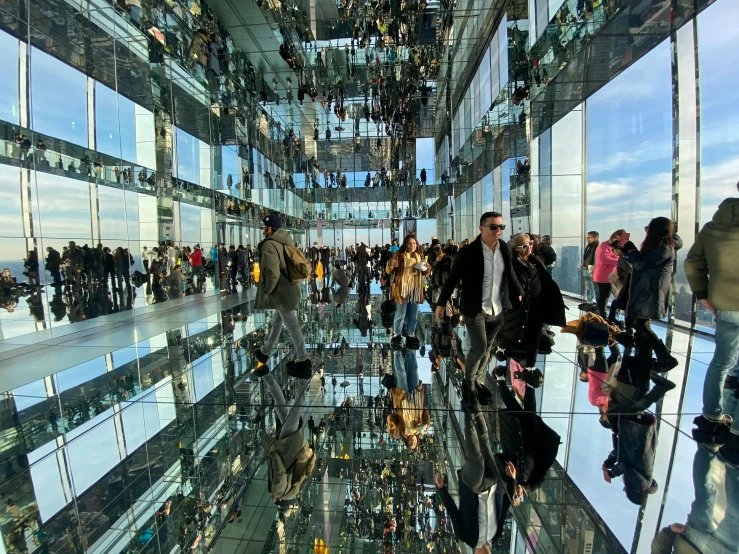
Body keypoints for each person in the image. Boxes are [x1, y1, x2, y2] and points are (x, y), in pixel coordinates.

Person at [435, 212, 523, 408]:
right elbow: (451, 279)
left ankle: (478, 382)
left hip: (496, 309)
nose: (498, 231)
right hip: (474, 309)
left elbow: (511, 274)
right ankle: (468, 384)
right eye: (494, 227)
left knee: (487, 350)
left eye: (501, 227)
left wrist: (518, 292)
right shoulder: (467, 252)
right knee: (480, 348)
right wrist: (441, 303)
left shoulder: (505, 250)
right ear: (481, 228)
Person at [684, 186, 739, 451]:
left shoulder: (713, 226)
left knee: (721, 362)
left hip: (725, 304)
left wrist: (702, 293)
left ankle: (712, 415)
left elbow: (692, 262)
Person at [434, 409, 516, 553]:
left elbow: (453, 511)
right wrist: (512, 481)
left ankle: (468, 414)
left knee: (478, 463)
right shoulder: (496, 535)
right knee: (486, 446)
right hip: (492, 483)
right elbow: (505, 506)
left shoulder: (466, 536)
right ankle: (476, 409)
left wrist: (441, 489)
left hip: (472, 488)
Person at [496, 233, 565, 385]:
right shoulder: (512, 262)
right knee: (512, 330)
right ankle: (501, 348)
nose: (529, 248)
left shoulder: (535, 260)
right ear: (515, 249)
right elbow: (510, 281)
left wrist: (542, 245)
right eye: (525, 246)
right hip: (520, 306)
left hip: (537, 304)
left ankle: (531, 367)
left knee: (534, 335)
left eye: (531, 244)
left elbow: (551, 257)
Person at [620, 217, 682, 372]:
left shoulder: (664, 248)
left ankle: (666, 358)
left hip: (651, 291)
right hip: (647, 289)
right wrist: (628, 251)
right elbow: (641, 263)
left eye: (648, 228)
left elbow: (641, 264)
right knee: (642, 323)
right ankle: (644, 358)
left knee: (639, 323)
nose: (646, 231)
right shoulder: (661, 246)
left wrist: (631, 249)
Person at [251, 358, 316, 507]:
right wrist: (271, 452)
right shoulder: (279, 491)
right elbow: (279, 472)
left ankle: (266, 374)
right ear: (280, 500)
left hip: (294, 442)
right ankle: (304, 378)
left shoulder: (297, 482)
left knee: (280, 407)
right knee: (296, 407)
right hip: (286, 444)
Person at [254, 214, 311, 376]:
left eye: (264, 228)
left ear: (269, 229)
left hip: (281, 292)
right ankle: (265, 351)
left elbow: (272, 273)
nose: (263, 230)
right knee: (277, 321)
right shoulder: (284, 242)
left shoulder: (269, 245)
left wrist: (266, 291)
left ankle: (303, 359)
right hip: (289, 289)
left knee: (292, 325)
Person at [385, 234, 431, 349]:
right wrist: (391, 263)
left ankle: (411, 333)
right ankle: (397, 334)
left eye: (414, 243)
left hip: (415, 288)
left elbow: (425, 272)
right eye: (410, 243)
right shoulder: (399, 255)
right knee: (400, 313)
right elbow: (389, 270)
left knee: (413, 313)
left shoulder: (419, 255)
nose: (412, 245)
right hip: (402, 287)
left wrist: (427, 267)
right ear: (406, 244)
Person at [592, 229, 623, 318]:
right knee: (605, 295)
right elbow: (605, 259)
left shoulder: (614, 247)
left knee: (616, 295)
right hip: (603, 275)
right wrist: (620, 261)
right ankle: (603, 315)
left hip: (612, 276)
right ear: (614, 237)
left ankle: (610, 315)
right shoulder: (604, 245)